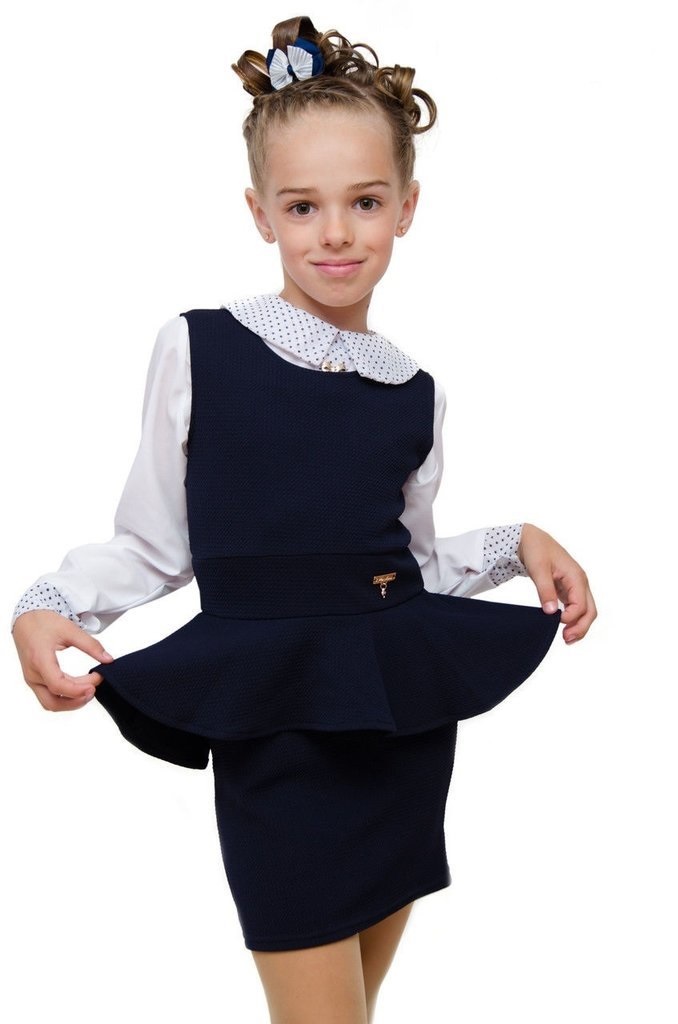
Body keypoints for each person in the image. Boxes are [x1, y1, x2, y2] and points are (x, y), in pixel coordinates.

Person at [11, 15, 597, 1024]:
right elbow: (155, 540)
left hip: (400, 725)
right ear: (260, 213)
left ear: (407, 206)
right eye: (302, 206)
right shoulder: (199, 349)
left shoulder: (414, 390)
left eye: (365, 201)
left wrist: (517, 544)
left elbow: (403, 565)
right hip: (276, 728)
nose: (335, 233)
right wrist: (46, 602)